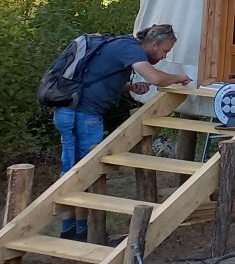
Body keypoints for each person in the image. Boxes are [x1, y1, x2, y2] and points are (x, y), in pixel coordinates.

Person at [53, 24, 192, 241]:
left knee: (71, 168)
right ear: (154, 44)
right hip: (84, 115)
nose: (164, 56)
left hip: (68, 111)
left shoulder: (121, 44)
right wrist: (180, 77)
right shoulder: (131, 49)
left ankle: (72, 231)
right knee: (86, 173)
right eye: (165, 51)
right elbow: (156, 78)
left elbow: (98, 74)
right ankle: (82, 233)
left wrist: (129, 86)